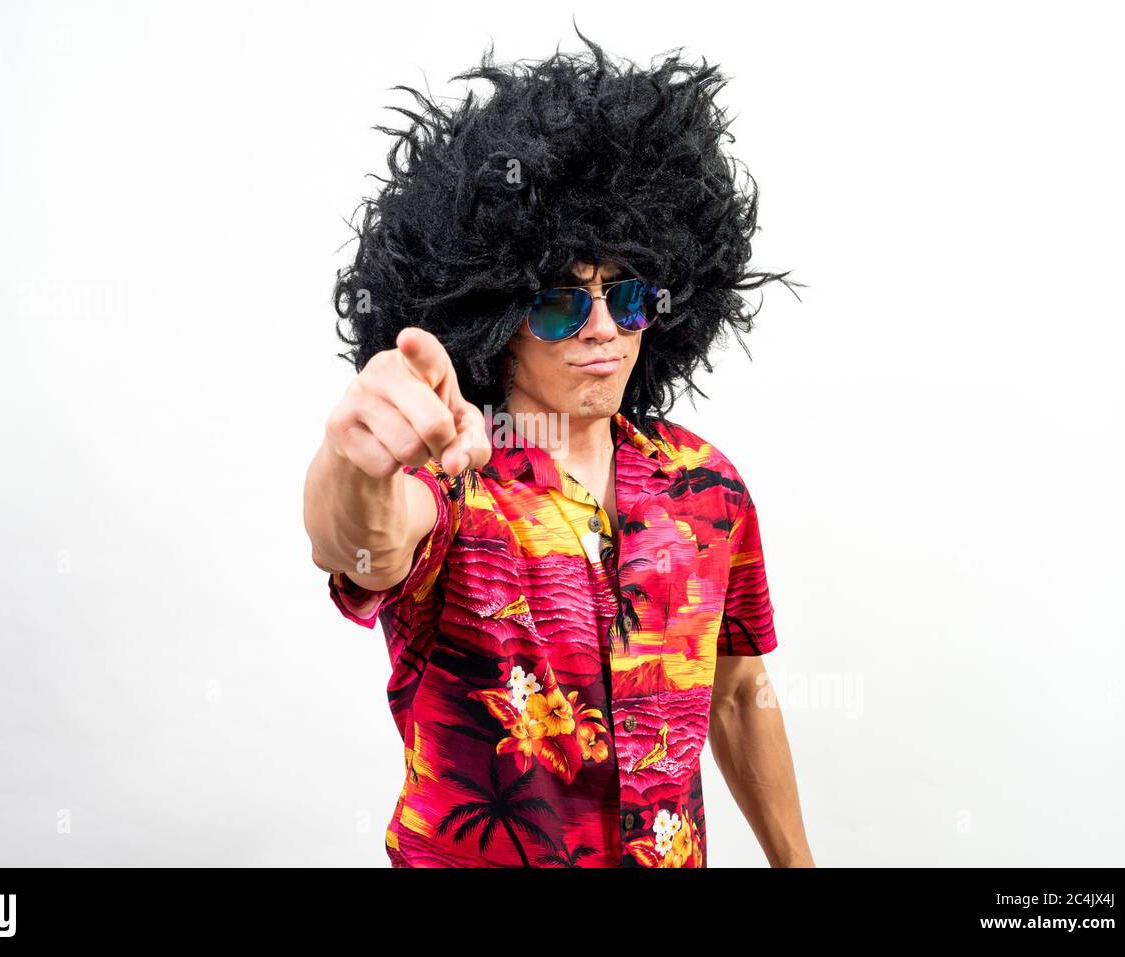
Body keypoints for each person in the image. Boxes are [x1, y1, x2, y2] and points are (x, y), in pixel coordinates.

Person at [303, 25, 814, 868]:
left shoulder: (708, 488)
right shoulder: (454, 477)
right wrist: (353, 461)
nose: (606, 330)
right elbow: (362, 541)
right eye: (560, 304)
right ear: (497, 318)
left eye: (630, 295)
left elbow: (738, 692)